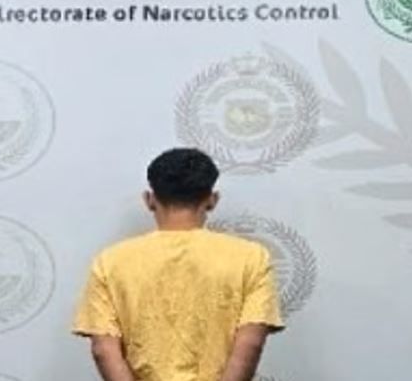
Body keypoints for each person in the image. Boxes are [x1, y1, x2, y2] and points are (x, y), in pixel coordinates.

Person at [71, 147, 285, 381]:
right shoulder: (252, 258)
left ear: (149, 200)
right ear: (212, 200)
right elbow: (251, 344)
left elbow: (103, 350)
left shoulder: (110, 261)